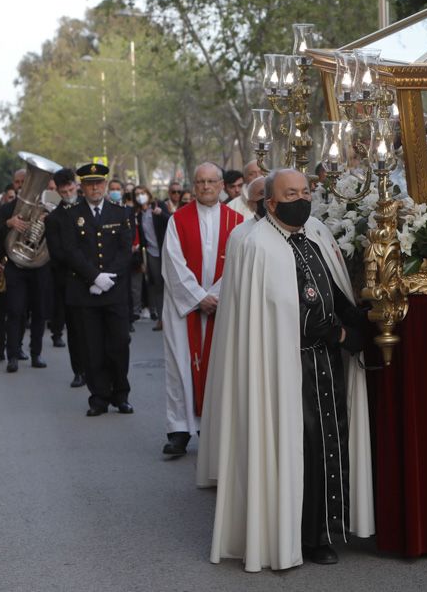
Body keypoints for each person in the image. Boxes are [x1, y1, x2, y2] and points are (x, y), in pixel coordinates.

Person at [196, 168, 374, 571]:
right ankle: (302, 537)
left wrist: (358, 322)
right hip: (284, 366)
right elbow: (282, 309)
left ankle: (328, 530)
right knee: (303, 450)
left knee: (331, 445)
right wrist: (342, 335)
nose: (302, 198)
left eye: (306, 191)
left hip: (325, 363)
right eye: (291, 193)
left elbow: (333, 287)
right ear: (270, 203)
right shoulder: (255, 244)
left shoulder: (316, 233)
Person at [160, 163, 244, 457]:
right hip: (185, 308)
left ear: (222, 185)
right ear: (193, 187)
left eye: (211, 181)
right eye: (200, 182)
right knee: (180, 364)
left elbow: (239, 264)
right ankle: (179, 429)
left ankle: (215, 430)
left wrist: (215, 296)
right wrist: (198, 297)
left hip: (222, 306)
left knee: (220, 366)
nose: (206, 187)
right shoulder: (178, 220)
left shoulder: (237, 221)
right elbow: (172, 264)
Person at [58, 163, 135, 416]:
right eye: (90, 184)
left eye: (99, 183)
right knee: (92, 347)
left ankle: (121, 394)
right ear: (82, 186)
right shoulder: (71, 215)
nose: (95, 188)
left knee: (119, 344)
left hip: (114, 290)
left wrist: (107, 278)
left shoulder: (121, 213)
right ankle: (99, 397)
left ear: (105, 184)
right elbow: (71, 251)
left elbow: (126, 250)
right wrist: (93, 277)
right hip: (85, 290)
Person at [0, 172, 54, 373]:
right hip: (15, 267)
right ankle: (12, 356)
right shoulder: (5, 210)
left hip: (39, 266)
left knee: (40, 312)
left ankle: (36, 354)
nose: (23, 186)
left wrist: (47, 222)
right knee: (15, 312)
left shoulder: (46, 209)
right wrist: (8, 224)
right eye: (19, 182)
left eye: (27, 182)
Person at [45, 168, 88, 388]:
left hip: (95, 279)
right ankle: (79, 370)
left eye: (70, 188)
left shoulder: (89, 207)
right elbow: (58, 253)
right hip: (71, 280)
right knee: (75, 328)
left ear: (76, 185)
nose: (68, 193)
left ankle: (96, 368)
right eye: (63, 191)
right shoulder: (54, 218)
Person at [133, 184, 170, 331]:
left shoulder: (158, 206)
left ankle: (172, 319)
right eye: (137, 194)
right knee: (157, 286)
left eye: (142, 193)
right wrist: (142, 261)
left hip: (165, 251)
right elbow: (142, 239)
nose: (140, 196)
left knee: (169, 286)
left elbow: (172, 221)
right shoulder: (139, 214)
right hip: (151, 254)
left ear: (148, 194)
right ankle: (161, 319)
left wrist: (161, 213)